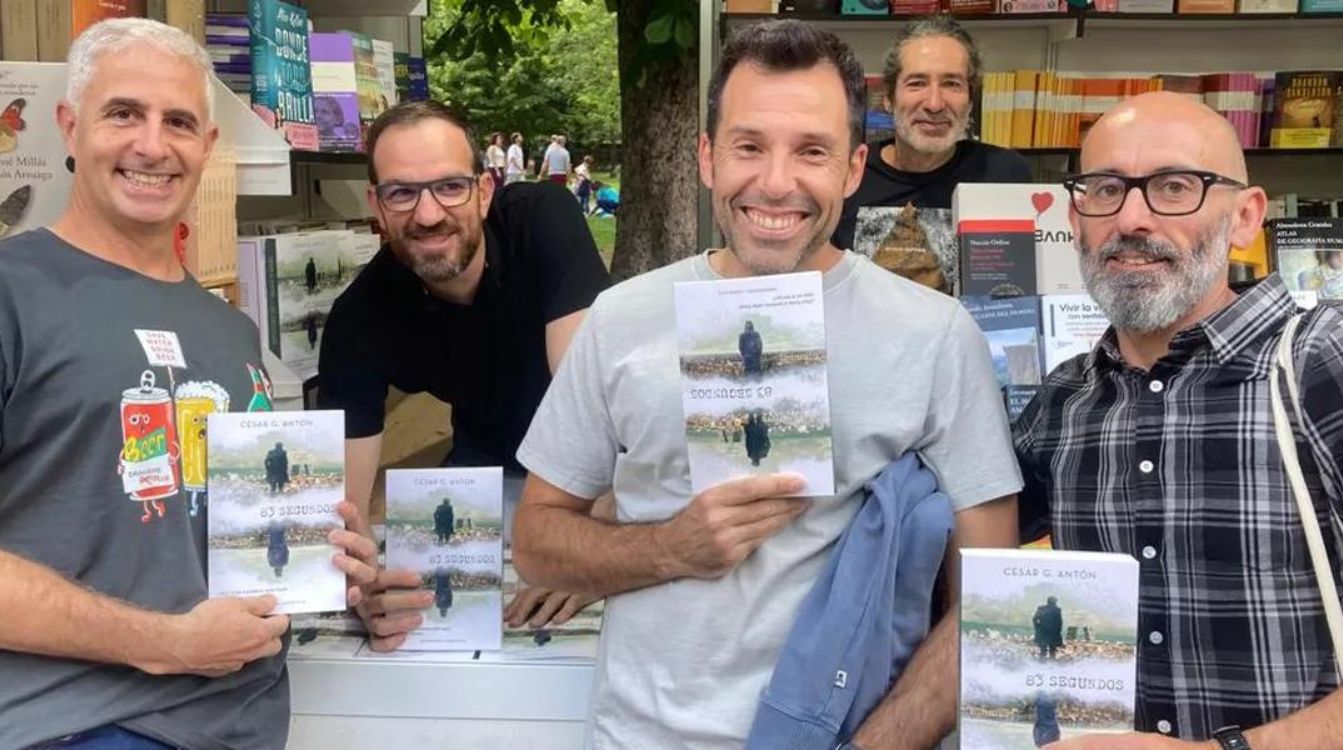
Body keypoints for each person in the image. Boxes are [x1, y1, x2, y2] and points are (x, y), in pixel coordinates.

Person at [512, 20, 1020, 749]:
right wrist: (670, 548)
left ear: (851, 168)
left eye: (810, 151)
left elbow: (988, 595)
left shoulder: (935, 334)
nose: (776, 183)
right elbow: (535, 539)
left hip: (843, 729)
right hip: (641, 733)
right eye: (748, 146)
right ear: (707, 158)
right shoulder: (621, 318)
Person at [0, 18, 376, 749]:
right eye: (123, 114)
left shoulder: (230, 331)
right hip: (84, 725)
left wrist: (326, 550)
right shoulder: (14, 293)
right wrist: (164, 642)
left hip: (248, 719)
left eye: (178, 121)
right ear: (70, 127)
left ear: (207, 146)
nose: (151, 144)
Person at [1016, 91, 1343, 747]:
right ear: (1075, 219)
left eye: (1173, 186)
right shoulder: (1063, 403)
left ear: (1246, 218)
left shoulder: (1317, 362)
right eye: (1104, 189)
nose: (1130, 218)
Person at [317, 101, 611, 650]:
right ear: (375, 207)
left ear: (484, 190)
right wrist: (363, 586)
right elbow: (343, 510)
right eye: (402, 193)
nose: (428, 214)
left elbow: (596, 411)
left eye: (449, 187)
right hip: (480, 479)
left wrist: (590, 553)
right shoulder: (360, 316)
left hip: (588, 480)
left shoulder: (541, 219)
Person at [832, 15, 1032, 253]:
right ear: (888, 97)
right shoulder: (849, 174)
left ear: (970, 101)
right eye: (917, 83)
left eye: (952, 84)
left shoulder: (1005, 175)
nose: (935, 104)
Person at [1032, 595, 1063, 660]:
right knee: (1052, 651)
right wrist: (1058, 631)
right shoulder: (1057, 610)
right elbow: (1059, 622)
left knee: (1043, 650)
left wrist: (1037, 627)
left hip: (1043, 632)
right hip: (1053, 633)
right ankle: (1051, 665)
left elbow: (1035, 619)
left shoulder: (1041, 609)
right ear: (1054, 602)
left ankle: (1042, 664)